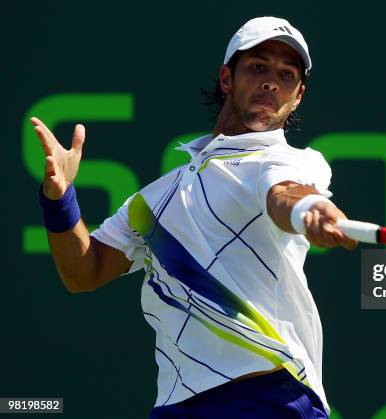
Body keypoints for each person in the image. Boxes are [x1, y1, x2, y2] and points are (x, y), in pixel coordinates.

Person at [32, 16, 356, 419]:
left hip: (271, 397)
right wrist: (60, 200)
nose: (272, 82)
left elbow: (285, 193)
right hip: (177, 405)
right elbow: (84, 271)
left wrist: (310, 209)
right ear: (227, 78)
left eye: (286, 75)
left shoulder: (289, 161)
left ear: (297, 95)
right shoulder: (152, 201)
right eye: (258, 68)